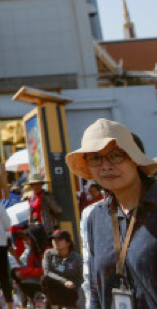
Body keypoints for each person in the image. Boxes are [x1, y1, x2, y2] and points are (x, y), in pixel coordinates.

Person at [66, 118, 157, 309]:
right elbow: (93, 288)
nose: (105, 166)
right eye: (95, 158)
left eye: (115, 155)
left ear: (134, 159)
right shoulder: (94, 217)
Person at [41, 229, 82, 309]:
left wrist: (74, 284)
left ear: (68, 243)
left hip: (72, 291)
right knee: (45, 279)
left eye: (59, 239)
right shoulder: (49, 254)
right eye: (53, 239)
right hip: (55, 291)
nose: (55, 242)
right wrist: (64, 281)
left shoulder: (76, 258)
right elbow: (47, 272)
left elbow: (83, 277)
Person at [11, 225, 48, 306]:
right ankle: (27, 302)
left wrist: (24, 273)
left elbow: (45, 270)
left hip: (46, 282)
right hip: (36, 281)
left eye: (28, 238)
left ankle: (35, 302)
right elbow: (26, 266)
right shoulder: (31, 251)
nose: (25, 241)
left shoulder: (47, 251)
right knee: (14, 274)